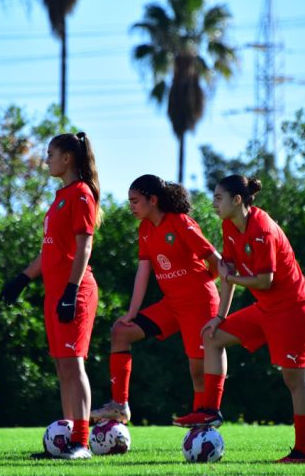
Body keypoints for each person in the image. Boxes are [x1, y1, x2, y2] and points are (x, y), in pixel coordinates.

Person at [173, 175, 305, 464]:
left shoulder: (262, 227)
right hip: (266, 308)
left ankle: (302, 452)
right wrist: (219, 317)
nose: (214, 203)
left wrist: (232, 276)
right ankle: (210, 411)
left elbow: (264, 281)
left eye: (218, 198)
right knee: (212, 336)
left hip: (295, 308)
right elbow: (227, 274)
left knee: (294, 379)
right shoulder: (229, 225)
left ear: (237, 200)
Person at [90, 174, 221, 424]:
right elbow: (143, 272)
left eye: (135, 201)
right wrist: (131, 313)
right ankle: (119, 406)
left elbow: (214, 260)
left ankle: (202, 422)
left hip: (199, 303)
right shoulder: (145, 230)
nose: (131, 207)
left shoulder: (181, 222)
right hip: (172, 304)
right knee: (121, 331)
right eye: (130, 202)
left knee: (198, 370)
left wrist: (206, 282)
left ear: (153, 200)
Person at [1, 132, 101, 460]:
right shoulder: (60, 196)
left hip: (76, 291)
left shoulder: (81, 194)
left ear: (67, 158)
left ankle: (82, 443)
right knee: (62, 368)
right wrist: (22, 278)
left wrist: (72, 291)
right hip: (55, 293)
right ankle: (67, 438)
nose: (47, 160)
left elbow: (84, 246)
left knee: (74, 366)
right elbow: (50, 252)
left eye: (50, 154)